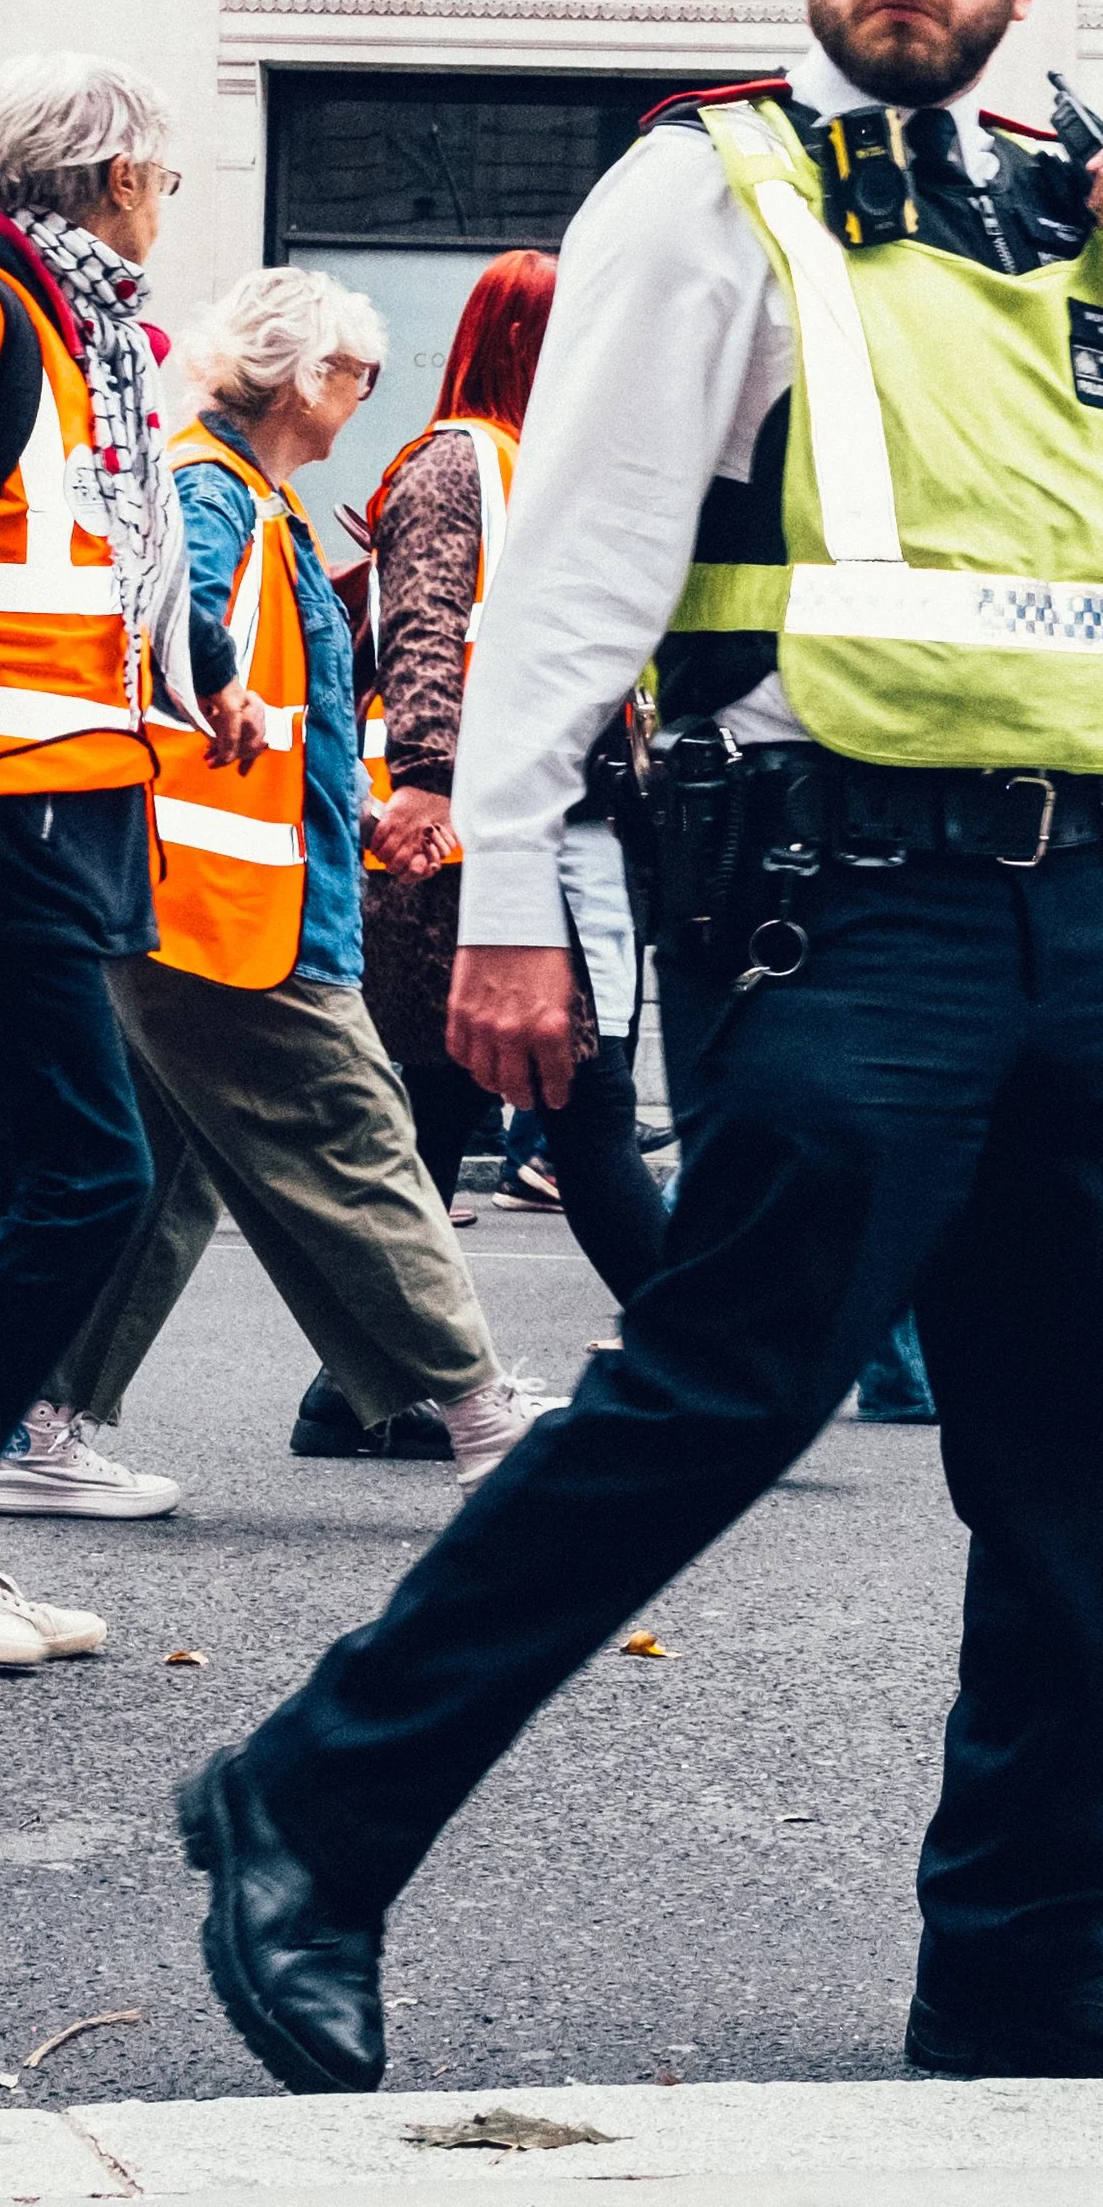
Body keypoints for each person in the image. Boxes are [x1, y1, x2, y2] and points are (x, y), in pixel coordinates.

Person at [178, 0, 1103, 2097]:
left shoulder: (1093, 224)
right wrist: (507, 897)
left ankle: (1027, 1943)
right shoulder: (711, 193)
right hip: (837, 898)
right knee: (718, 1393)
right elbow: (574, 565)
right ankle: (309, 1808)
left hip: (1086, 915)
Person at [28, 266, 552, 1494]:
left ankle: (35, 1420)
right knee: (355, 1135)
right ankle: (481, 1409)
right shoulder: (222, 500)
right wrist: (238, 712)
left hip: (200, 899)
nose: (368, 395)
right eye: (359, 372)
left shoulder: (248, 497)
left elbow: (266, 696)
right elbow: (172, 653)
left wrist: (353, 807)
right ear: (307, 377)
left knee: (163, 1173)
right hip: (230, 911)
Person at [0, 54, 261, 1672]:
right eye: (163, 181)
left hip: (69, 793)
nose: (162, 208)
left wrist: (203, 668)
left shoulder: (82, 344)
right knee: (89, 1169)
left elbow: (102, 551)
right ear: (117, 175)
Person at [348, 248, 669, 1398]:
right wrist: (429, 773)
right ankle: (714, 1352)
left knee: (440, 1117)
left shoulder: (539, 466)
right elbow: (423, 633)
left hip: (527, 837)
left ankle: (360, 1388)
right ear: (530, 340)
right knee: (586, 1109)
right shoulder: (459, 461)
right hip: (474, 850)